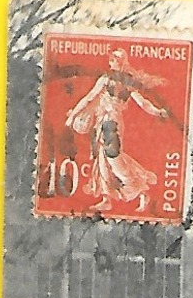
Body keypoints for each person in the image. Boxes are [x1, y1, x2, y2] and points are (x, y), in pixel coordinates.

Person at [63, 47, 172, 213]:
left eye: (115, 60)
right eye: (112, 60)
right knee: (102, 160)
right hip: (105, 121)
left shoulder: (115, 81)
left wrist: (157, 112)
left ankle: (140, 189)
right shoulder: (121, 81)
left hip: (110, 123)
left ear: (121, 63)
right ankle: (107, 199)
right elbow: (90, 98)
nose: (112, 63)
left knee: (113, 159)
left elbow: (141, 102)